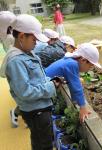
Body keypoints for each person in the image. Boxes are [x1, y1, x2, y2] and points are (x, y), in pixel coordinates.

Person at [0, 14, 62, 150]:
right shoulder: (16, 61)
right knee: (43, 145)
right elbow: (25, 92)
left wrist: (49, 80)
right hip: (36, 112)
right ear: (22, 37)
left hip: (40, 108)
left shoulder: (27, 52)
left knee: (42, 141)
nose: (36, 43)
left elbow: (37, 77)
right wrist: (50, 86)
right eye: (34, 39)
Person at [45, 43, 101, 123]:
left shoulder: (70, 61)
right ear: (83, 60)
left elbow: (72, 84)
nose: (90, 68)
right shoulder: (72, 64)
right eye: (90, 66)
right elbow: (77, 87)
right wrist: (83, 108)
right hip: (41, 92)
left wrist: (75, 101)